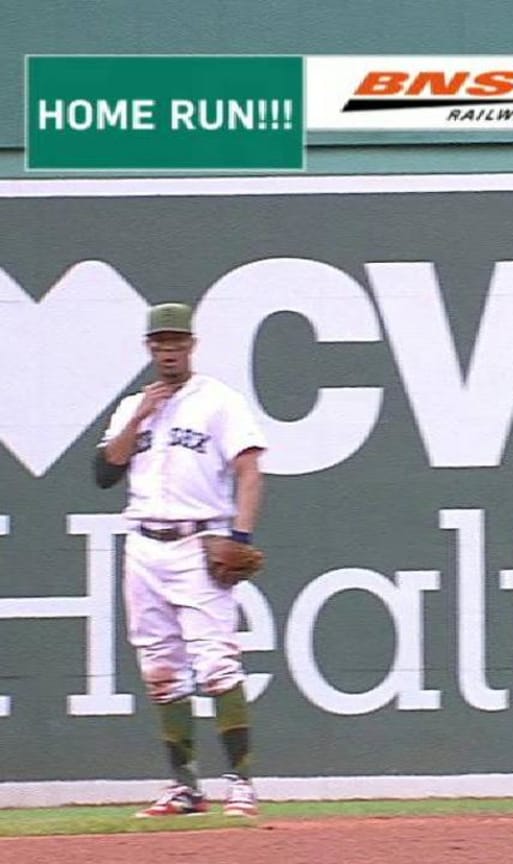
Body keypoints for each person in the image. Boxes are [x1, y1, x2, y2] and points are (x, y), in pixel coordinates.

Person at [94, 302, 268, 818]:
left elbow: (250, 470)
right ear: (149, 348)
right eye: (160, 342)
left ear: (191, 345)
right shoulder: (132, 406)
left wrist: (238, 534)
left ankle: (241, 784)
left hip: (199, 544)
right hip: (144, 544)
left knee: (216, 664)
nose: (168, 350)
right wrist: (142, 415)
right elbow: (104, 473)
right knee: (161, 670)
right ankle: (185, 786)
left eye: (176, 342)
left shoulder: (218, 402)